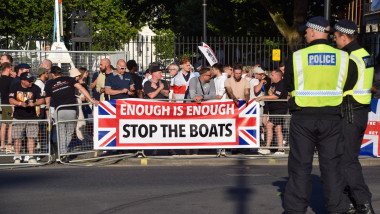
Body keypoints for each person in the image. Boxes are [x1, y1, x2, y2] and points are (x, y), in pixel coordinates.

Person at [283, 16, 350, 213]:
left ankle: (295, 210)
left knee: (300, 167)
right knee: (332, 168)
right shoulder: (343, 57)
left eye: (306, 31)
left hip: (303, 117)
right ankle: (337, 209)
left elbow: (289, 83)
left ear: (314, 31)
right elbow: (348, 82)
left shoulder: (297, 57)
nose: (304, 33)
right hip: (332, 117)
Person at [333, 19, 375, 213]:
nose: (334, 40)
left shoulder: (348, 57)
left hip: (349, 111)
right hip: (360, 111)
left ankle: (362, 202)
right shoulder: (364, 54)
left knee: (347, 160)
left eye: (336, 37)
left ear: (344, 37)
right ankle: (350, 201)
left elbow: (342, 86)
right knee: (347, 158)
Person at [44, 66, 98, 162]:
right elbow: (81, 88)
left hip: (59, 110)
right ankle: (63, 154)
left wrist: (48, 115)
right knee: (69, 132)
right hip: (71, 110)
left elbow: (47, 102)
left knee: (61, 133)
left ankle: (62, 153)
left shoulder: (49, 84)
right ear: (60, 73)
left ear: (52, 74)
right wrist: (91, 100)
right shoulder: (69, 79)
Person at [9, 72, 45, 164]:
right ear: (23, 81)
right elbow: (10, 99)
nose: (31, 82)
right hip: (18, 117)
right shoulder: (15, 86)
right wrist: (20, 103)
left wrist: (35, 103)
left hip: (32, 117)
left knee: (31, 137)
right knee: (17, 138)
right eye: (29, 81)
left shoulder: (35, 87)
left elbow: (42, 99)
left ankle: (31, 157)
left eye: (31, 80)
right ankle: (17, 157)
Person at [256, 69, 288, 155]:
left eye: (272, 75)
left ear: (277, 76)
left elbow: (276, 96)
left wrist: (262, 98)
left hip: (279, 109)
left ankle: (267, 147)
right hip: (273, 110)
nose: (270, 77)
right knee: (278, 129)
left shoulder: (282, 84)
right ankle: (280, 149)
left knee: (269, 125)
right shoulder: (272, 84)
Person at [0, 62, 14, 152]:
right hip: (9, 104)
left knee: (3, 124)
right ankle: (9, 146)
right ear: (8, 68)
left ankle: (2, 144)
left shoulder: (0, 79)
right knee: (11, 125)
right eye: (11, 69)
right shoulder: (11, 80)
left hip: (3, 103)